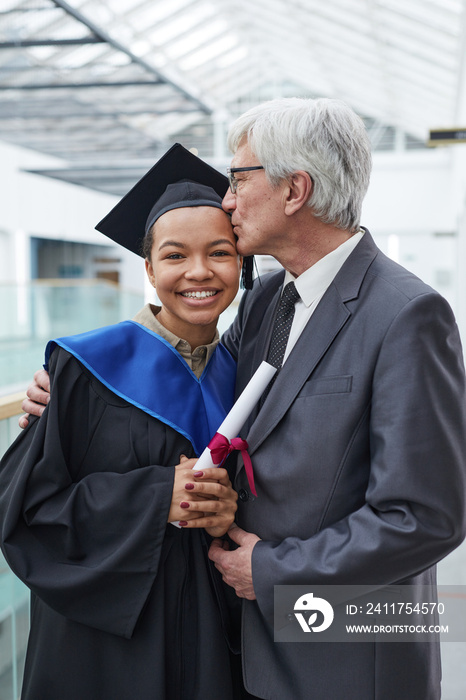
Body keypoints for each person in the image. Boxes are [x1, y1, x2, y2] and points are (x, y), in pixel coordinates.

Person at [18, 98, 466, 700]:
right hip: (243, 645)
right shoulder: (268, 300)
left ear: (294, 189)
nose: (226, 200)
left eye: (238, 178)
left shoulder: (406, 314)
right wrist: (70, 383)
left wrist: (270, 571)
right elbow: (192, 359)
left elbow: (425, 518)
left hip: (342, 656)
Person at [0, 144, 247, 700]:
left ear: (241, 262)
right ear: (149, 268)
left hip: (212, 633)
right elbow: (25, 510)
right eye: (175, 255)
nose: (198, 272)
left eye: (220, 252)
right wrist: (157, 495)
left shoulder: (248, 375)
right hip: (103, 647)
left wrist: (227, 510)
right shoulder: (85, 367)